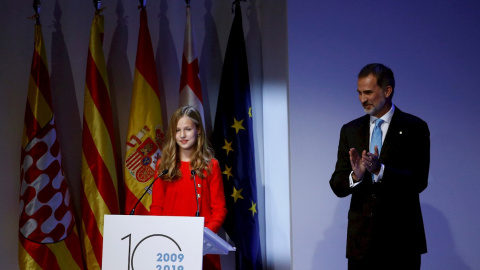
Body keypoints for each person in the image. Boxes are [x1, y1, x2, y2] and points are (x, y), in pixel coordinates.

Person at [329, 63, 430, 270]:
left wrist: (380, 170)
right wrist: (355, 177)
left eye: (368, 92)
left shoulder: (415, 128)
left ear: (387, 90)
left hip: (401, 243)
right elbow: (337, 185)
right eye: (359, 93)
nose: (362, 99)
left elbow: (418, 181)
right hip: (361, 244)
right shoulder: (350, 130)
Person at [150, 105, 227, 270]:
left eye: (188, 129)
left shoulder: (210, 166)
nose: (182, 135)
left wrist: (204, 237)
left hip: (202, 246)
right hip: (170, 244)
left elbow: (219, 209)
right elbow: (156, 206)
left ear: (198, 130)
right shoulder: (163, 166)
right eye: (178, 130)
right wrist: (162, 234)